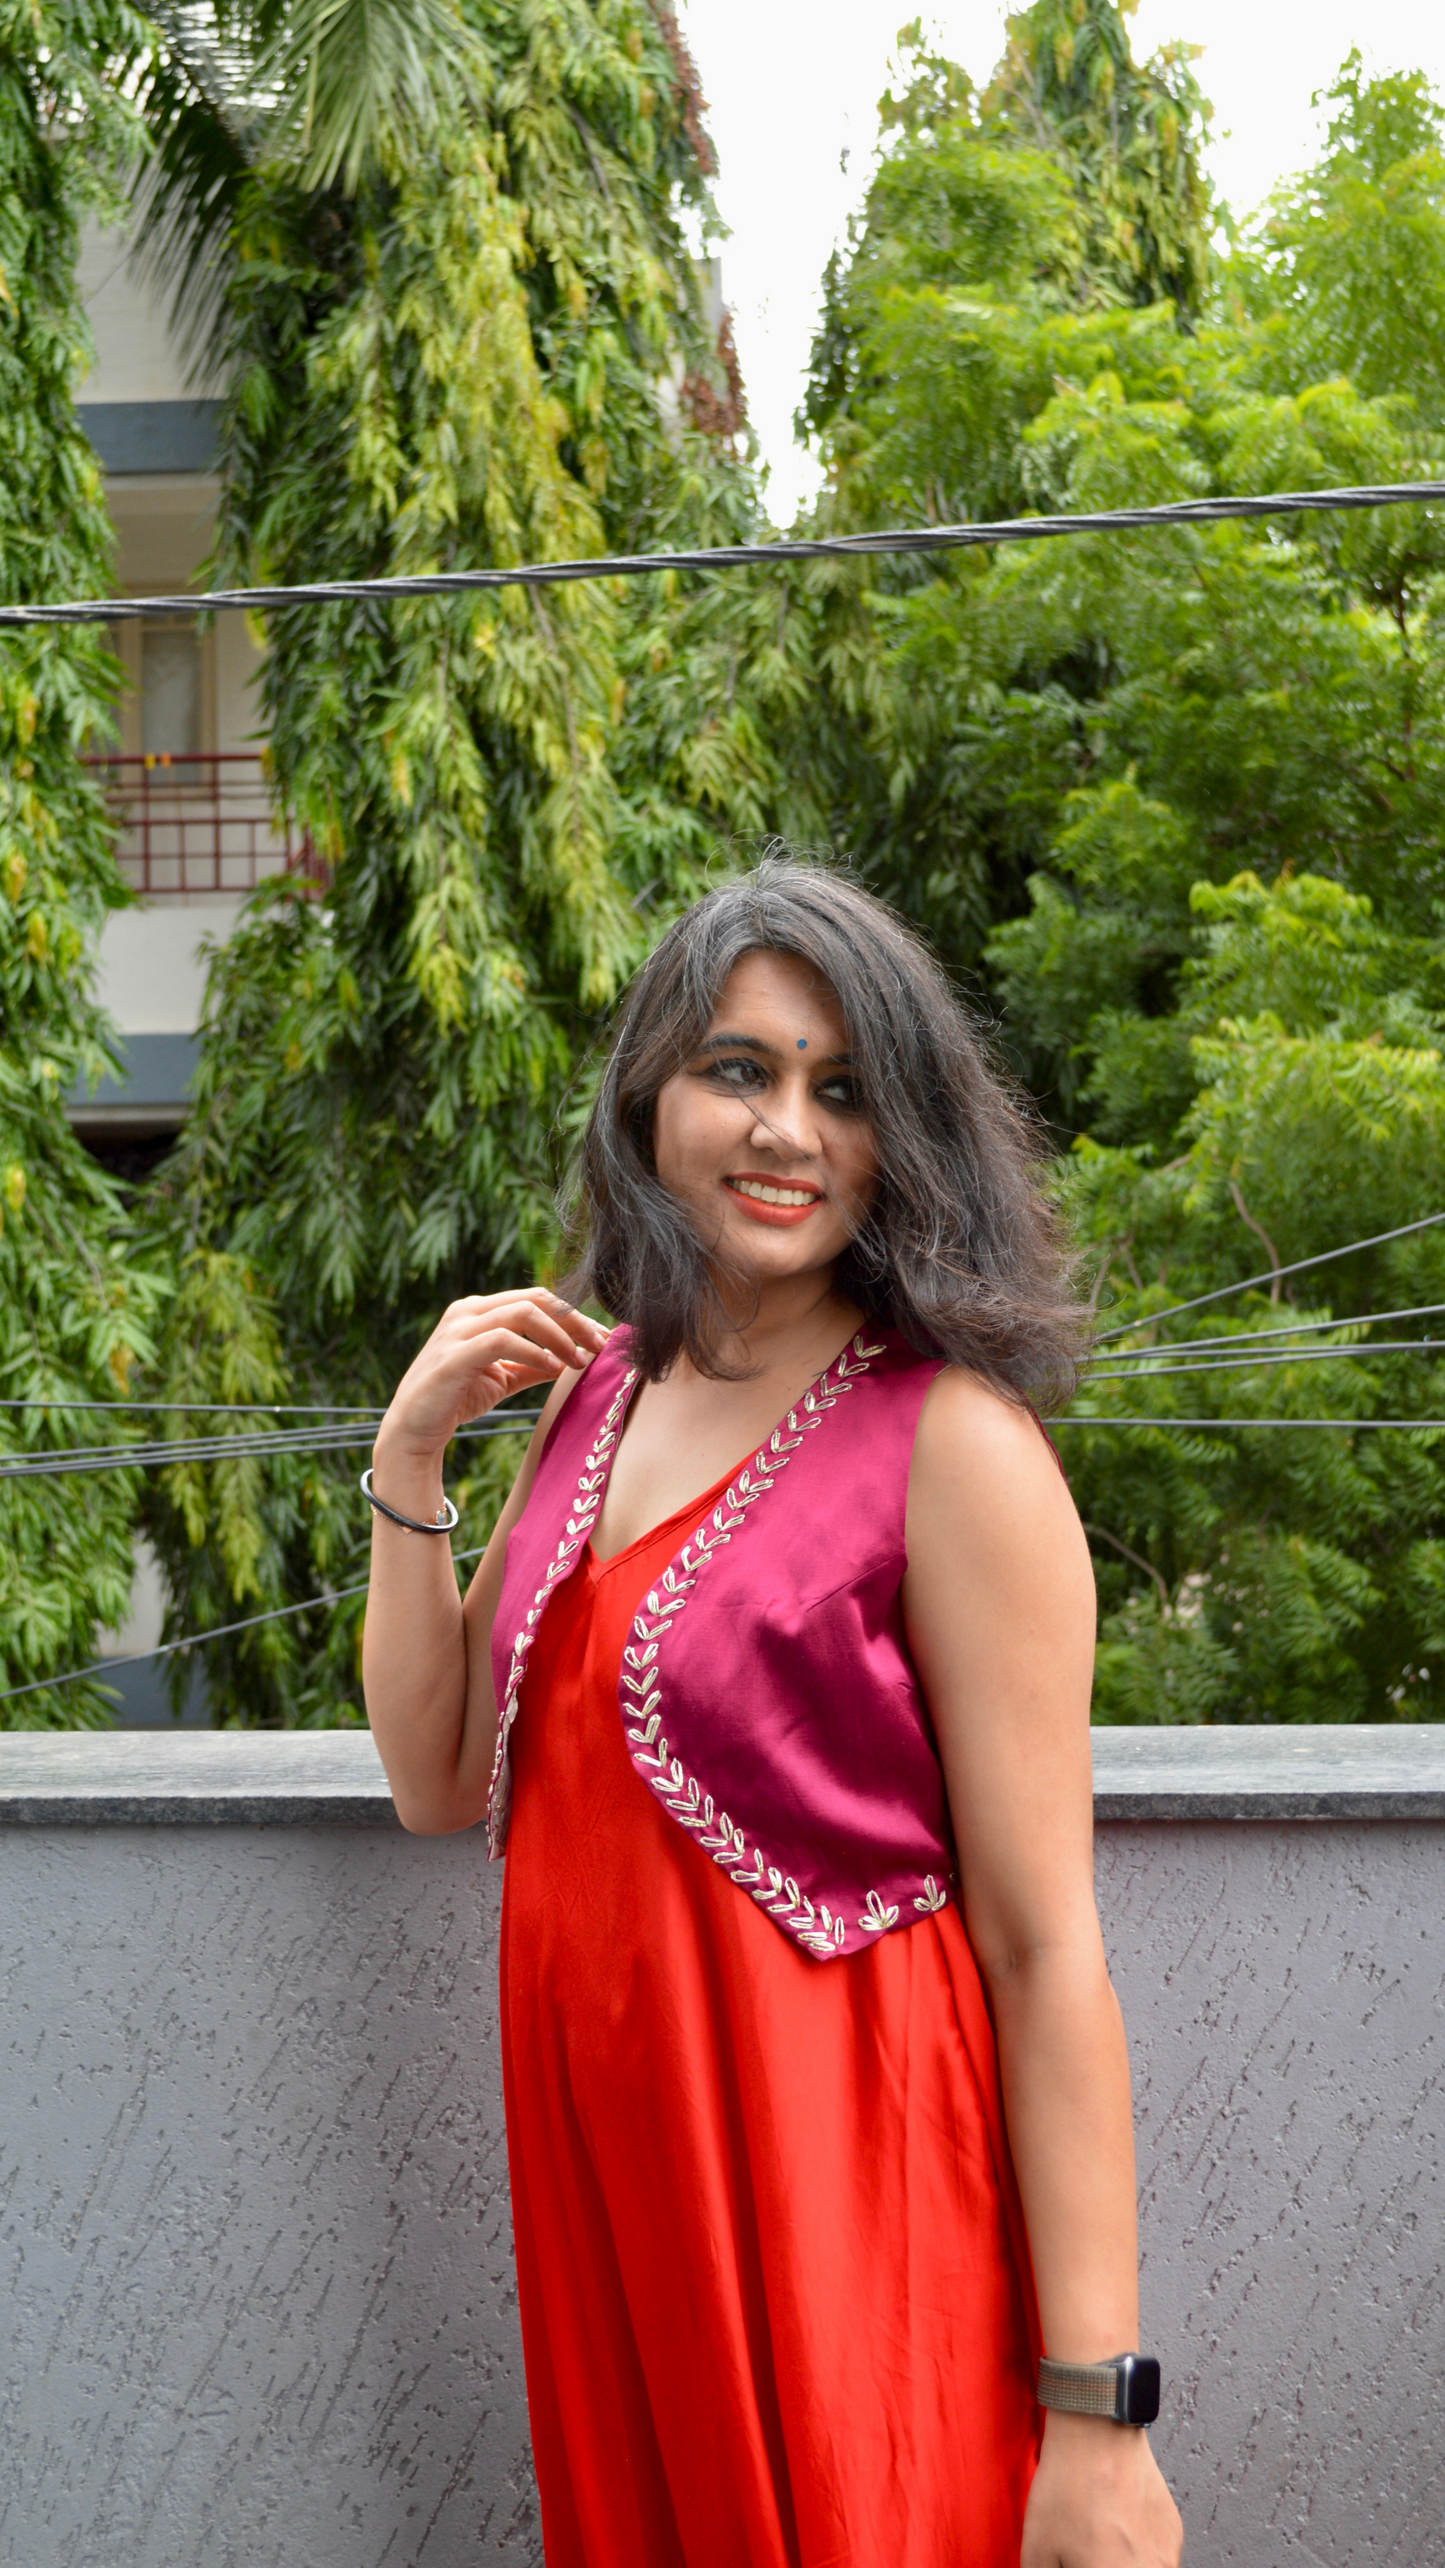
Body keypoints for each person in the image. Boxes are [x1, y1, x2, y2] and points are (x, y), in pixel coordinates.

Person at [362, 859, 1183, 2568]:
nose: (786, 1130)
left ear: (904, 1139)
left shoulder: (952, 1446)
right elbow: (443, 1780)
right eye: (740, 1069)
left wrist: (1100, 2419)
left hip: (849, 2207)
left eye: (843, 1090)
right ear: (652, 1094)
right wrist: (408, 1461)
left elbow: (1046, 1954)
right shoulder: (598, 1394)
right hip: (617, 2216)